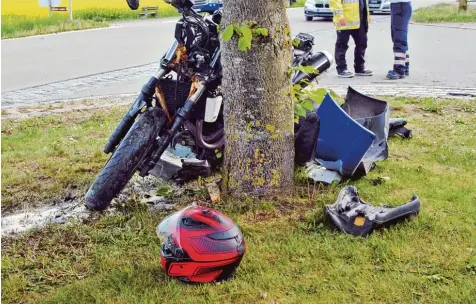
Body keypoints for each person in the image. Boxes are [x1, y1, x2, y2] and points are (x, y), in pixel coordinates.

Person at [330, 0, 372, 78]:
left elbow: (364, 3)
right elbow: (335, 2)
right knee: (342, 46)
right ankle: (342, 69)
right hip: (344, 21)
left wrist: (367, 16)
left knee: (362, 43)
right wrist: (340, 16)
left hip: (359, 20)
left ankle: (359, 68)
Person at [386, 0, 412, 79]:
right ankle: (404, 67)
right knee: (399, 36)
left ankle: (399, 69)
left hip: (400, 5)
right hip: (400, 5)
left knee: (399, 38)